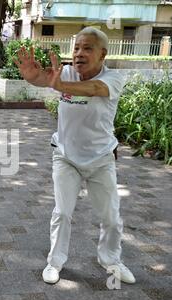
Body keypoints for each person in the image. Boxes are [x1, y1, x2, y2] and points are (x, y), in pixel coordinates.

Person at [14, 27, 135, 285]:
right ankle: (54, 262)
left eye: (87, 48)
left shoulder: (113, 78)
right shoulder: (65, 72)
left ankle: (111, 261)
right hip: (66, 156)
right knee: (62, 212)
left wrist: (59, 84)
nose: (79, 53)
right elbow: (43, 79)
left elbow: (93, 89)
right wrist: (32, 76)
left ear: (102, 54)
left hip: (101, 158)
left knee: (111, 217)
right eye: (77, 48)